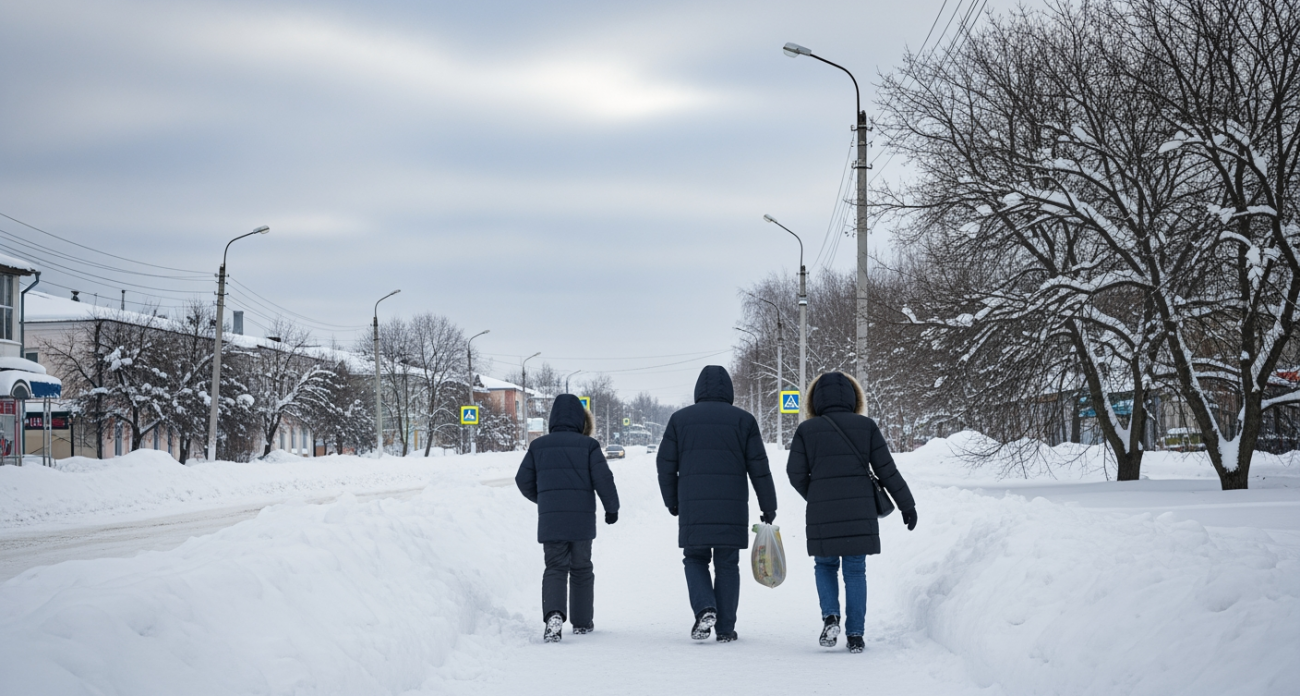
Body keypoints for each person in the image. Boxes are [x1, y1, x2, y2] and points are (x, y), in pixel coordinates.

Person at [786, 371, 917, 654]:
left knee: (825, 566)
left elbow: (794, 473)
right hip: (860, 511)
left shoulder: (806, 431)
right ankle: (855, 635)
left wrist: (816, 494)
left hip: (822, 513)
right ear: (854, 397)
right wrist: (908, 505)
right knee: (855, 571)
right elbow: (887, 470)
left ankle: (831, 617)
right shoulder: (865, 426)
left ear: (814, 400)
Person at [657, 365, 777, 643]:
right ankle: (724, 628)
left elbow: (664, 464)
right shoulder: (743, 420)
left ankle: (704, 608)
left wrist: (672, 501)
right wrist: (768, 505)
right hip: (731, 507)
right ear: (729, 390)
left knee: (695, 559)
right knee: (727, 564)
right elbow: (759, 467)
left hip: (693, 506)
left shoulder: (680, 420)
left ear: (698, 389)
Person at [516, 393, 620, 643]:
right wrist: (611, 508)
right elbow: (603, 479)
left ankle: (554, 615)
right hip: (581, 521)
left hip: (552, 521)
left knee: (555, 567)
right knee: (582, 568)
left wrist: (545, 500)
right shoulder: (589, 446)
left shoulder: (538, 446)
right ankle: (583, 622)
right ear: (581, 420)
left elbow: (522, 480)